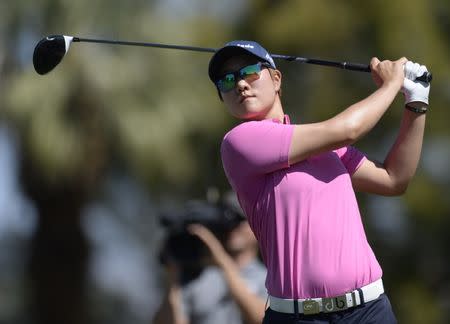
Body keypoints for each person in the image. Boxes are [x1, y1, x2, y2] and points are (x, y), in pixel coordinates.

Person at [207, 40, 430, 324]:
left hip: (369, 311)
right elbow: (349, 129)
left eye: (249, 71)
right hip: (297, 318)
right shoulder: (239, 143)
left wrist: (416, 102)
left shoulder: (327, 146)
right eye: (227, 81)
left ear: (276, 79)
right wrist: (390, 85)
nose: (239, 84)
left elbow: (394, 179)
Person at [152, 197, 267, 324]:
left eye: (240, 219)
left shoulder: (270, 280)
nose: (234, 227)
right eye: (228, 221)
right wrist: (173, 279)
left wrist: (222, 261)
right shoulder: (199, 276)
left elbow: (262, 319)